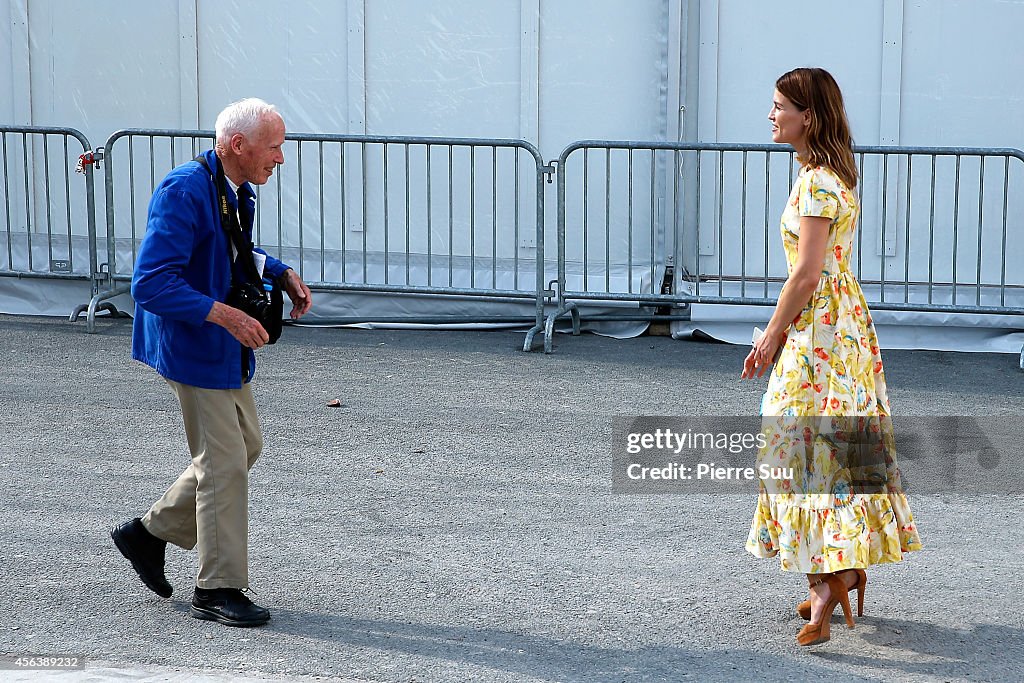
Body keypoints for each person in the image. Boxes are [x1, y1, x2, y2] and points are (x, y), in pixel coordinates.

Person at [111, 98, 313, 628]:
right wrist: (224, 315)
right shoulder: (184, 189)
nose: (281, 158)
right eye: (275, 147)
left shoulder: (234, 188)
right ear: (238, 145)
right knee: (224, 462)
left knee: (246, 445)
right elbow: (150, 283)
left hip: (218, 343)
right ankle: (218, 587)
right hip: (194, 345)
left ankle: (148, 533)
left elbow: (231, 250)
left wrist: (280, 270)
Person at [740, 68, 921, 646]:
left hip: (822, 329)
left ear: (808, 116)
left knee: (794, 444)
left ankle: (828, 581)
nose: (771, 115)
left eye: (779, 107)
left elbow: (806, 274)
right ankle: (838, 570)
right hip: (843, 328)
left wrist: (769, 337)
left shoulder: (817, 183)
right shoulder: (832, 175)